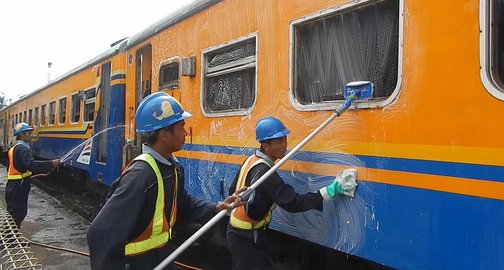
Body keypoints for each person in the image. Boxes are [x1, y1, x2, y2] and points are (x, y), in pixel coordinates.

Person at [87, 92, 241, 270]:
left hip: (160, 258)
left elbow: (181, 203)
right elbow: (101, 234)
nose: (185, 132)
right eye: (181, 126)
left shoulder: (172, 168)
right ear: (164, 134)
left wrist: (215, 207)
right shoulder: (140, 177)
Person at [227, 116, 356, 270]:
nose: (285, 145)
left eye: (285, 139)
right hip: (248, 238)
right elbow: (293, 203)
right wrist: (330, 191)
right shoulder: (266, 174)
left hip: (237, 233)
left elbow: (232, 190)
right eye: (279, 142)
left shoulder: (251, 160)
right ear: (266, 145)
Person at [5, 122, 60, 228]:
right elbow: (31, 164)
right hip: (18, 186)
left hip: (14, 185)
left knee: (15, 213)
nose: (31, 135)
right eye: (29, 133)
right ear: (22, 135)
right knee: (17, 214)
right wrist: (51, 163)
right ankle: (10, 241)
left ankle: (12, 238)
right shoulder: (23, 149)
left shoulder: (15, 147)